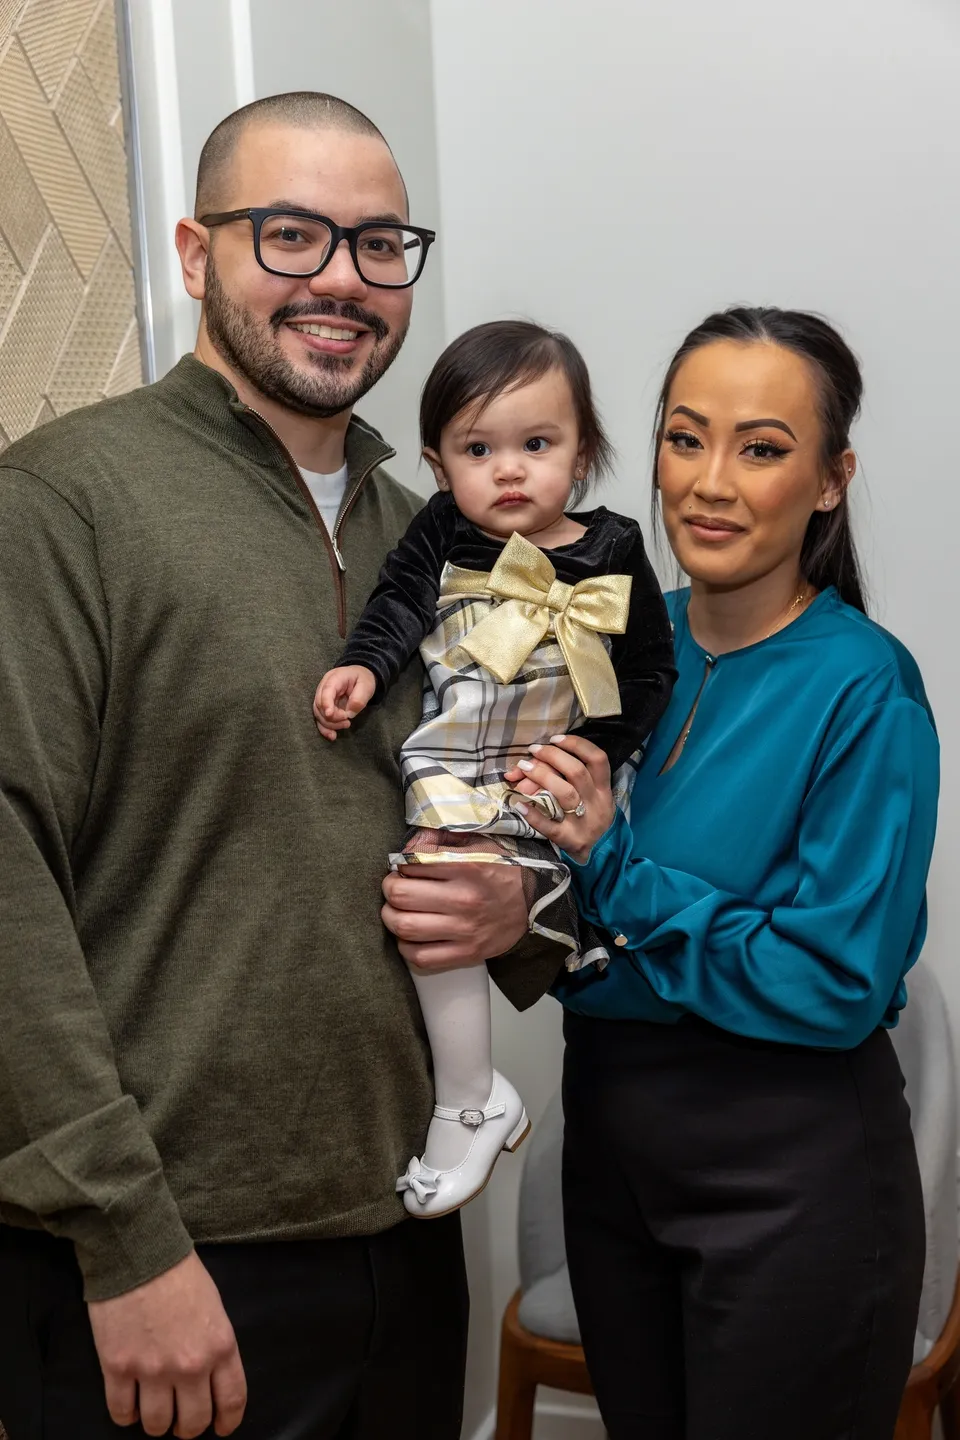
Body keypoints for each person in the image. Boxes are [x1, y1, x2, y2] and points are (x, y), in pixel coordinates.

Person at [0, 93, 567, 1440]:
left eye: (381, 245)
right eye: (292, 234)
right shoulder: (64, 503)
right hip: (159, 1263)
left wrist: (529, 907)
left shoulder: (437, 536)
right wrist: (123, 1240)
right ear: (198, 254)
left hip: (404, 1227)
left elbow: (500, 804)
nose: (342, 280)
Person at [505, 307, 940, 1440]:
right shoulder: (617, 641)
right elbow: (561, 919)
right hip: (612, 1164)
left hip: (791, 1185)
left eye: (762, 448)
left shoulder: (862, 689)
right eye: (686, 437)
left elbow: (833, 983)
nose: (710, 482)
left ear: (831, 479)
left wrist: (618, 868)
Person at [315, 320, 675, 1218]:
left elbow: (649, 672)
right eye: (479, 449)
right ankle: (472, 1094)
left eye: (536, 444)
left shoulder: (617, 548)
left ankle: (468, 1099)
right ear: (440, 467)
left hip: (556, 775)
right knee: (431, 894)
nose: (508, 470)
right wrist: (364, 665)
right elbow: (398, 604)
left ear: (582, 451)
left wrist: (598, 753)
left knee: (491, 900)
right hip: (458, 758)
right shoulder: (442, 532)